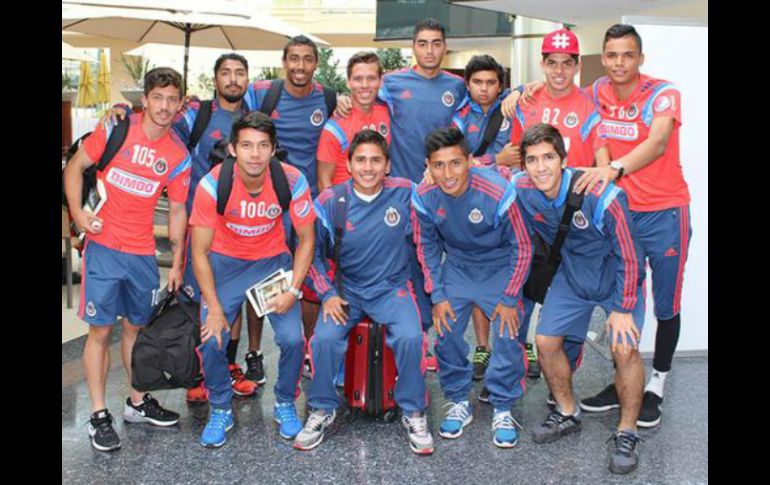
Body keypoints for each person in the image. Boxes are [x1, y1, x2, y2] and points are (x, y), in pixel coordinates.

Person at [99, 53, 262, 399]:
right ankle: (197, 371)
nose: (233, 79)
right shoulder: (195, 114)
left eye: (239, 73)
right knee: (197, 297)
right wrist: (122, 110)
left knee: (230, 298)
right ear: (215, 79)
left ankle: (228, 365)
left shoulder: (252, 117)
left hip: (237, 226)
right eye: (226, 73)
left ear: (247, 79)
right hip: (197, 224)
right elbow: (158, 120)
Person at [63, 67, 191, 452]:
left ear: (180, 105)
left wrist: (178, 261)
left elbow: (178, 209)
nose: (164, 106)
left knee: (136, 329)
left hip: (142, 254)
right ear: (145, 99)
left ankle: (136, 402)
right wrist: (77, 214)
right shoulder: (116, 128)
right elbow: (75, 168)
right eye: (158, 97)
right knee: (101, 332)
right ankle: (98, 414)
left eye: (172, 99)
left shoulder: (178, 155)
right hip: (103, 247)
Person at [575, 24, 692, 429]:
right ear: (603, 58)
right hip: (621, 214)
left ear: (640, 58)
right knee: (621, 299)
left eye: (628, 55)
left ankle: (657, 383)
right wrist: (522, 92)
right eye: (612, 55)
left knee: (666, 303)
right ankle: (623, 380)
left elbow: (657, 143)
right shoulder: (596, 92)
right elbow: (588, 125)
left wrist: (614, 168)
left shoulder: (663, 93)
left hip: (665, 212)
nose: (619, 63)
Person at [513, 123, 646, 474]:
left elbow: (630, 255)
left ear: (563, 159)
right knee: (545, 341)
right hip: (573, 276)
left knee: (623, 349)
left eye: (548, 158)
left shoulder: (601, 195)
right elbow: (478, 180)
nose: (540, 167)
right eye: (532, 160)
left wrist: (623, 308)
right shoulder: (521, 188)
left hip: (617, 276)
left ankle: (627, 432)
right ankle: (567, 412)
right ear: (523, 164)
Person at [295, 130, 432, 454]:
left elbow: (438, 206)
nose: (368, 168)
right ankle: (322, 408)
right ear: (349, 164)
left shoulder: (406, 192)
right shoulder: (331, 201)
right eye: (361, 160)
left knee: (412, 337)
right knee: (323, 340)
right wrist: (327, 294)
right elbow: (311, 253)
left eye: (375, 160)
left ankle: (413, 410)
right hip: (347, 291)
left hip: (391, 288)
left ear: (387, 165)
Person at [188, 111, 315, 447]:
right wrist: (214, 308)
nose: (255, 154)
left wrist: (293, 289)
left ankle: (285, 401)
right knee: (212, 339)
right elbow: (198, 252)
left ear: (273, 149)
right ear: (233, 149)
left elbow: (307, 240)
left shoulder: (292, 180)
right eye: (246, 145)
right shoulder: (212, 185)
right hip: (225, 264)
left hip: (270, 264)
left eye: (262, 146)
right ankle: (220, 407)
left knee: (292, 339)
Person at [411, 127, 532, 448]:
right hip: (459, 267)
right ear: (428, 166)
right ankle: (457, 399)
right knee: (446, 330)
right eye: (438, 165)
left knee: (507, 335)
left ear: (469, 161)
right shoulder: (423, 195)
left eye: (455, 163)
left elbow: (523, 246)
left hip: (500, 267)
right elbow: (426, 247)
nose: (448, 174)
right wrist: (437, 295)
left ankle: (503, 406)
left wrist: (510, 297)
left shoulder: (497, 191)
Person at [450, 54, 518, 382]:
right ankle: (482, 346)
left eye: (491, 82)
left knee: (516, 273)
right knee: (478, 273)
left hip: (512, 204)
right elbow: (456, 161)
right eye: (477, 82)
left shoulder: (514, 108)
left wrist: (521, 91)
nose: (484, 88)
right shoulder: (460, 118)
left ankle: (522, 341)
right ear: (468, 84)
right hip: (473, 202)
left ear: (500, 86)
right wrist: (496, 159)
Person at [317, 51, 390, 191]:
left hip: (379, 200)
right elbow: (324, 182)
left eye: (371, 78)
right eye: (358, 79)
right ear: (348, 83)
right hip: (347, 202)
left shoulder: (387, 113)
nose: (365, 85)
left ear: (380, 82)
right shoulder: (334, 128)